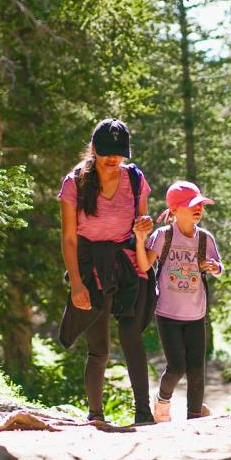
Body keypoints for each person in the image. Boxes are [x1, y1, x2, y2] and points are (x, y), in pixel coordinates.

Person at [58, 119, 157, 425]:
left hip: (127, 263)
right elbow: (70, 237)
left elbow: (141, 224)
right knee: (98, 346)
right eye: (106, 152)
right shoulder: (75, 182)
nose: (113, 158)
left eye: (119, 153)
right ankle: (96, 414)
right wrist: (76, 282)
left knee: (131, 336)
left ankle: (143, 413)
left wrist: (145, 227)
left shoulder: (136, 179)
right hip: (90, 265)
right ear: (94, 149)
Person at [135, 180, 223, 422]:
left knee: (197, 369)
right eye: (191, 205)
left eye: (200, 205)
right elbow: (144, 265)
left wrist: (214, 267)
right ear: (174, 210)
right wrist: (141, 240)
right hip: (167, 314)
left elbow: (218, 266)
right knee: (177, 367)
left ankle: (195, 417)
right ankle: (162, 401)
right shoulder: (163, 236)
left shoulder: (204, 238)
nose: (198, 209)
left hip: (197, 313)